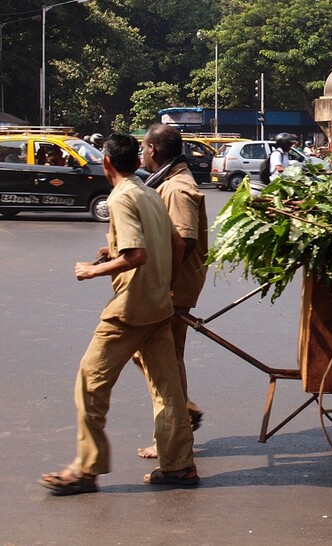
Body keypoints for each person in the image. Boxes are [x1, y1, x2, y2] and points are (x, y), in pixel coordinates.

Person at [38, 133, 199, 496]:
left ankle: (86, 468)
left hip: (129, 311)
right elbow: (173, 245)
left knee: (90, 384)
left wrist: (90, 271)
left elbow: (137, 255)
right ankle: (179, 466)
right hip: (159, 306)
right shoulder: (149, 192)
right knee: (168, 390)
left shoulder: (122, 196)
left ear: (106, 163)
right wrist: (157, 279)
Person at [135, 123, 208, 458]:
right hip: (166, 286)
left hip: (174, 289)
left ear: (154, 151)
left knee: (164, 359)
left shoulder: (177, 188)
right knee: (154, 356)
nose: (140, 153)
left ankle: (175, 432)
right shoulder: (165, 182)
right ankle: (183, 414)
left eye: (143, 148)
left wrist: (163, 286)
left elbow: (185, 242)